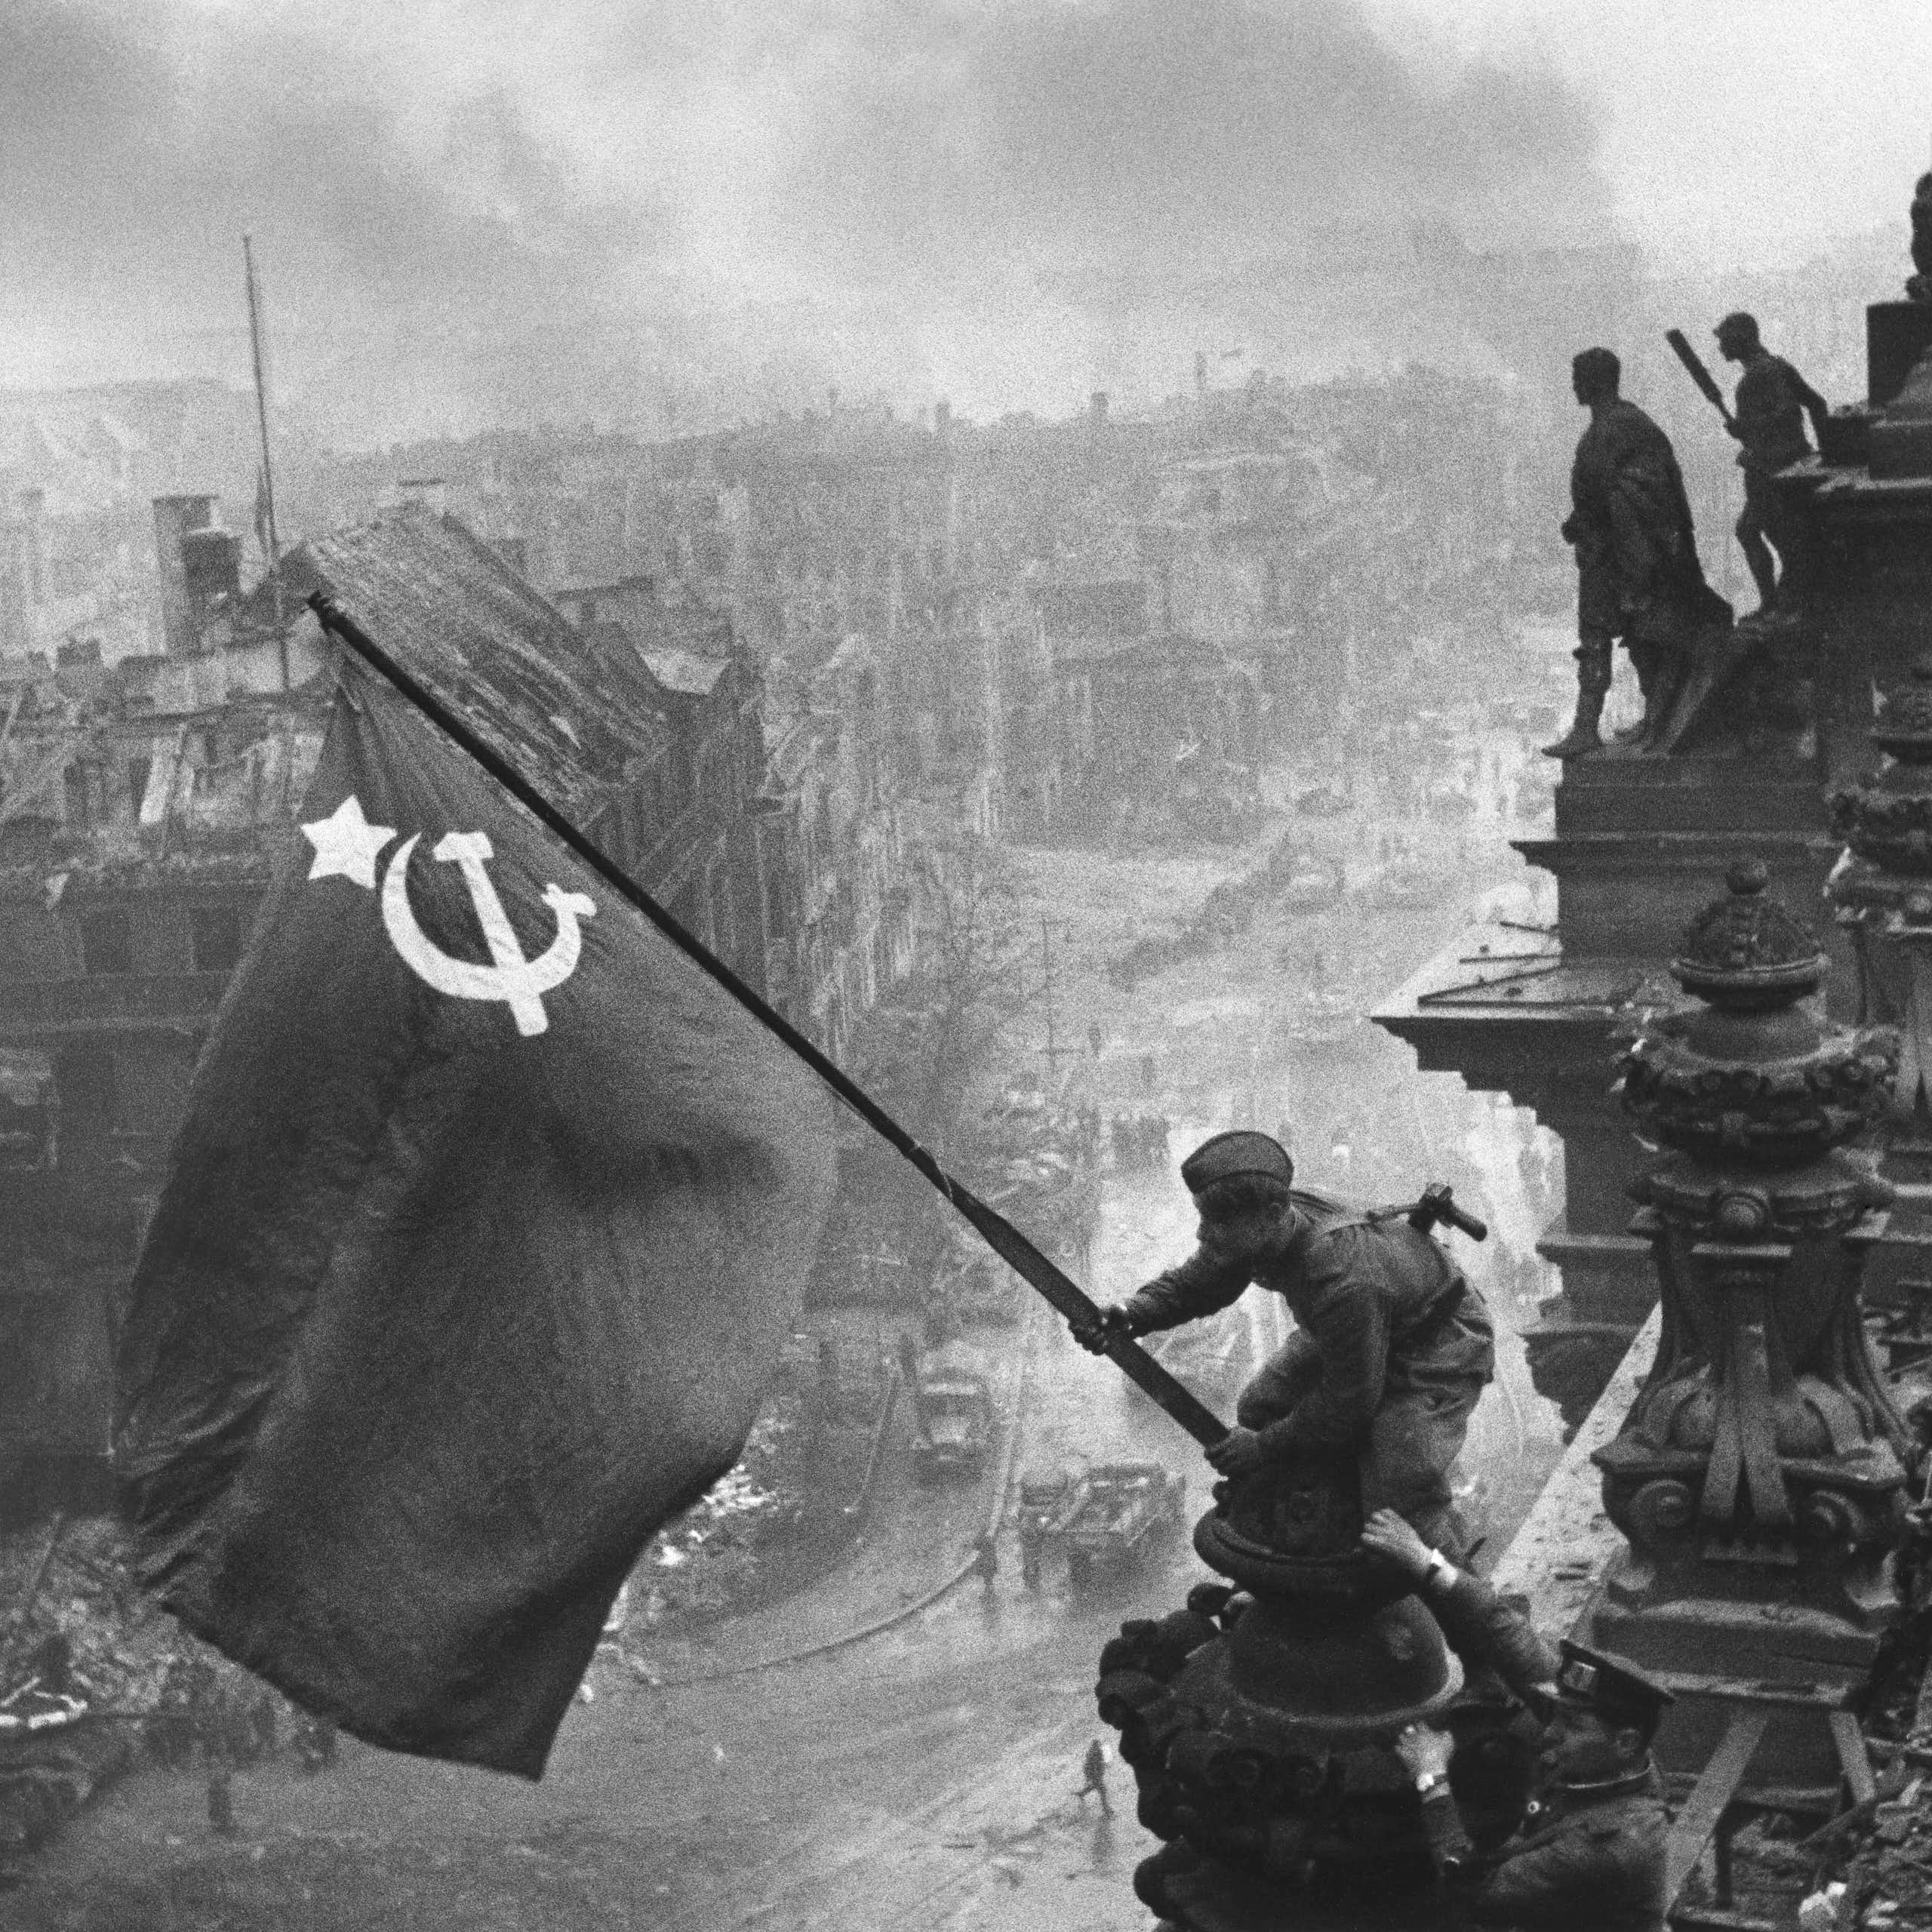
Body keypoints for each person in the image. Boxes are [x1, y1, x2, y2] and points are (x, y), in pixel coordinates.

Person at [1072, 1131, 1494, 1558]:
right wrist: (1131, 1313)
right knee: (1262, 1405)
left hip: (1437, 1343)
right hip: (1363, 1321)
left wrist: (1262, 1448)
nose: (1203, 1234)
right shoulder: (1271, 1225)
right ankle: (1319, 1516)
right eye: (1204, 1219)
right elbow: (1203, 1280)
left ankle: (1459, 1591)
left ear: (1272, 1214)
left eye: (1218, 1223)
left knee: (1399, 1491)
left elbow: (1349, 1401)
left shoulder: (1339, 1277)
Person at [1395, 1638, 1673, 1931]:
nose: (1550, 1733)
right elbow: (1524, 1657)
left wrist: (1432, 1777)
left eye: (1572, 1724)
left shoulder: (1609, 1846)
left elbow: (1473, 1890)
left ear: (1625, 1742)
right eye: (1556, 1717)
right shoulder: (1618, 1763)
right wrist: (1452, 1589)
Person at [1546, 346, 1730, 759]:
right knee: (1614, 637)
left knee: (1627, 637)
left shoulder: (1623, 425)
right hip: (1611, 552)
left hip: (1626, 555)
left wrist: (1598, 522)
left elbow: (1642, 491)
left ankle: (1627, 724)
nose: (1574, 385)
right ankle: (1608, 725)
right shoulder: (1612, 426)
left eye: (1579, 376)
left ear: (1597, 381)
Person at [1714, 311, 1829, 617]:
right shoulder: (1777, 366)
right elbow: (1816, 404)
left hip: (1772, 473)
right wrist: (1823, 455)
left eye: (1724, 339)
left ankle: (1776, 604)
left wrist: (1748, 428)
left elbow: (1789, 410)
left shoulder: (1757, 376)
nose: (1721, 346)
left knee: (1771, 538)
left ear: (1742, 338)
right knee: (1758, 533)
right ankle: (1777, 602)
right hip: (1785, 467)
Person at [1076, 1737, 1113, 1814]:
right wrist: (1093, 1778)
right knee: (1103, 1791)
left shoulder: (1093, 1753)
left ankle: (1081, 1794)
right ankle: (1106, 1809)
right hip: (1096, 1777)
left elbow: (1090, 1767)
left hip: (1095, 1777)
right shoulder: (1096, 1754)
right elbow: (1095, 1766)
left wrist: (1089, 1778)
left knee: (1093, 1786)